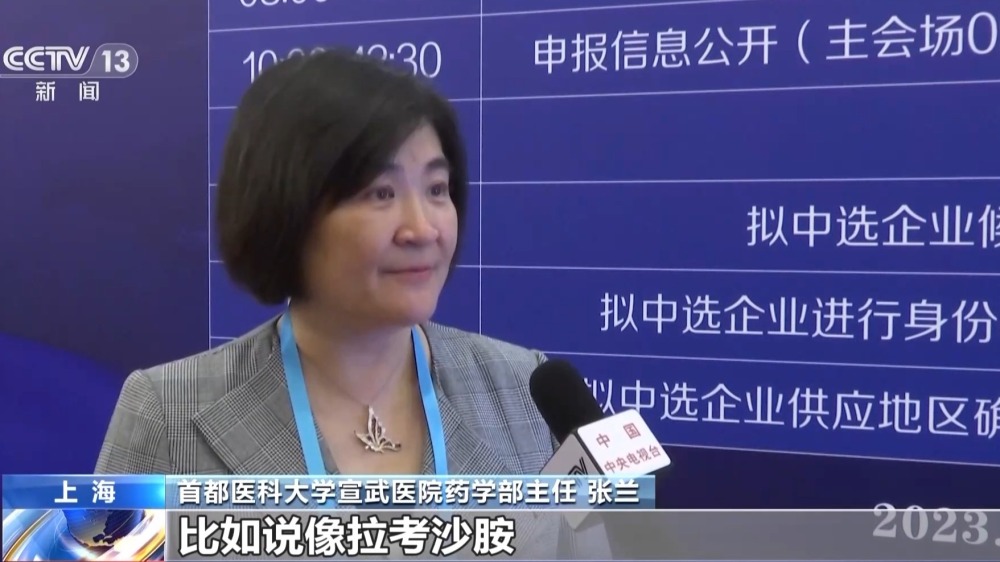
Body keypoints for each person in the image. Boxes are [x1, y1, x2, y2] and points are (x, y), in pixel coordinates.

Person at [95, 48, 611, 557]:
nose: (423, 229)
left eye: (437, 188)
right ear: (287, 211)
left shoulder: (523, 390)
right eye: (381, 193)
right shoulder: (167, 412)